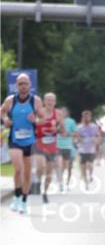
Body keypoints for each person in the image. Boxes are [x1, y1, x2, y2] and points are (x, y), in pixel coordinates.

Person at [0, 72, 45, 214]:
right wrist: (5, 120)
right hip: (15, 139)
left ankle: (24, 201)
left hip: (30, 141)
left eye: (25, 83)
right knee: (18, 169)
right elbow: (1, 112)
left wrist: (35, 120)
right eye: (20, 83)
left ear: (30, 85)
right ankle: (17, 197)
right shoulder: (10, 100)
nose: (23, 86)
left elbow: (43, 119)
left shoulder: (36, 101)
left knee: (26, 173)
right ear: (16, 85)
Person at [34, 92, 65, 203]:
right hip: (39, 144)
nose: (50, 102)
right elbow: (31, 123)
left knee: (49, 175)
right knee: (40, 167)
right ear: (44, 101)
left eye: (52, 100)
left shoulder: (59, 114)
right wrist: (37, 122)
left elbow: (63, 132)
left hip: (52, 146)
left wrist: (56, 130)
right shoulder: (39, 112)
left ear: (55, 102)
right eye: (47, 99)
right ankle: (37, 181)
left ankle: (45, 192)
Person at [75, 110, 102, 189]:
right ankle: (85, 181)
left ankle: (90, 175)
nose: (86, 118)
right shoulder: (79, 127)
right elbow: (76, 138)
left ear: (90, 117)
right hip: (82, 149)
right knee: (83, 166)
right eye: (85, 117)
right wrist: (79, 139)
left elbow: (99, 137)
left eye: (88, 116)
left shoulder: (94, 127)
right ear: (83, 117)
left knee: (90, 164)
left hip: (91, 149)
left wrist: (96, 140)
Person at [56, 106, 77, 190]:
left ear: (67, 113)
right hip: (57, 146)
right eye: (60, 112)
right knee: (59, 164)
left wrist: (67, 134)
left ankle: (63, 181)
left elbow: (75, 134)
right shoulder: (56, 121)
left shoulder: (71, 121)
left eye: (63, 112)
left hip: (68, 146)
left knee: (65, 166)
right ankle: (60, 182)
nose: (62, 114)